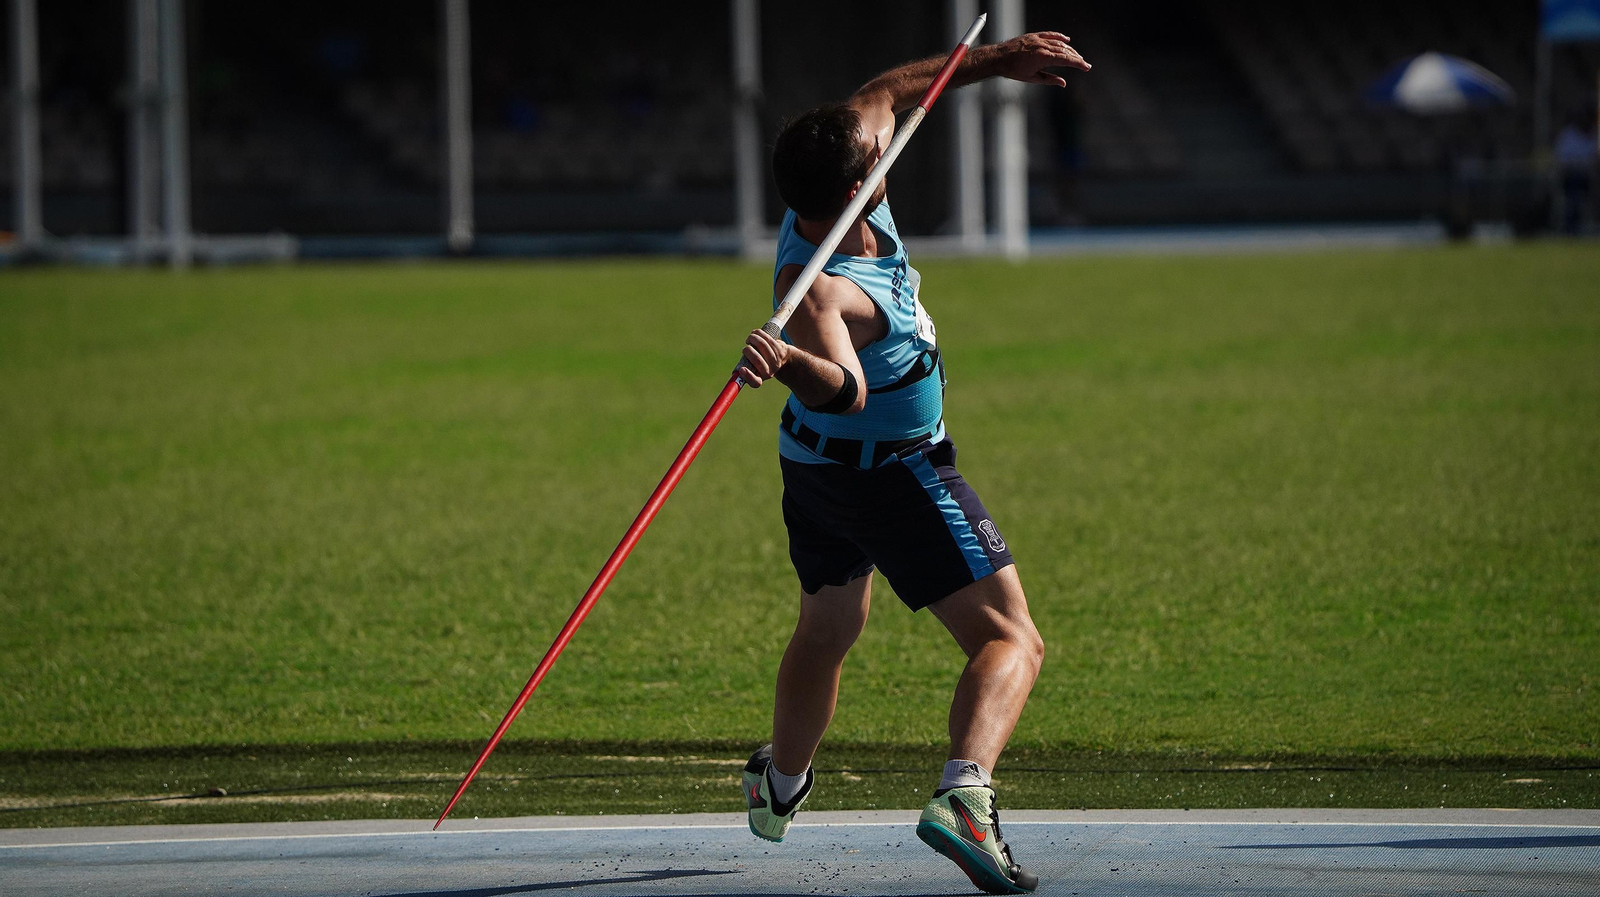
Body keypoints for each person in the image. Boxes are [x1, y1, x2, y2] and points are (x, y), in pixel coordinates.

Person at [733, 30, 1090, 896]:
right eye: (877, 159)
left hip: (812, 472)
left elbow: (890, 90)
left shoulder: (841, 173)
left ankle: (778, 785)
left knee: (828, 628)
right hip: (886, 469)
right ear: (860, 186)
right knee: (1012, 638)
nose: (889, 145)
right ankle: (966, 796)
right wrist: (788, 364)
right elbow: (842, 391)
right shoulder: (820, 289)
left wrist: (997, 58)